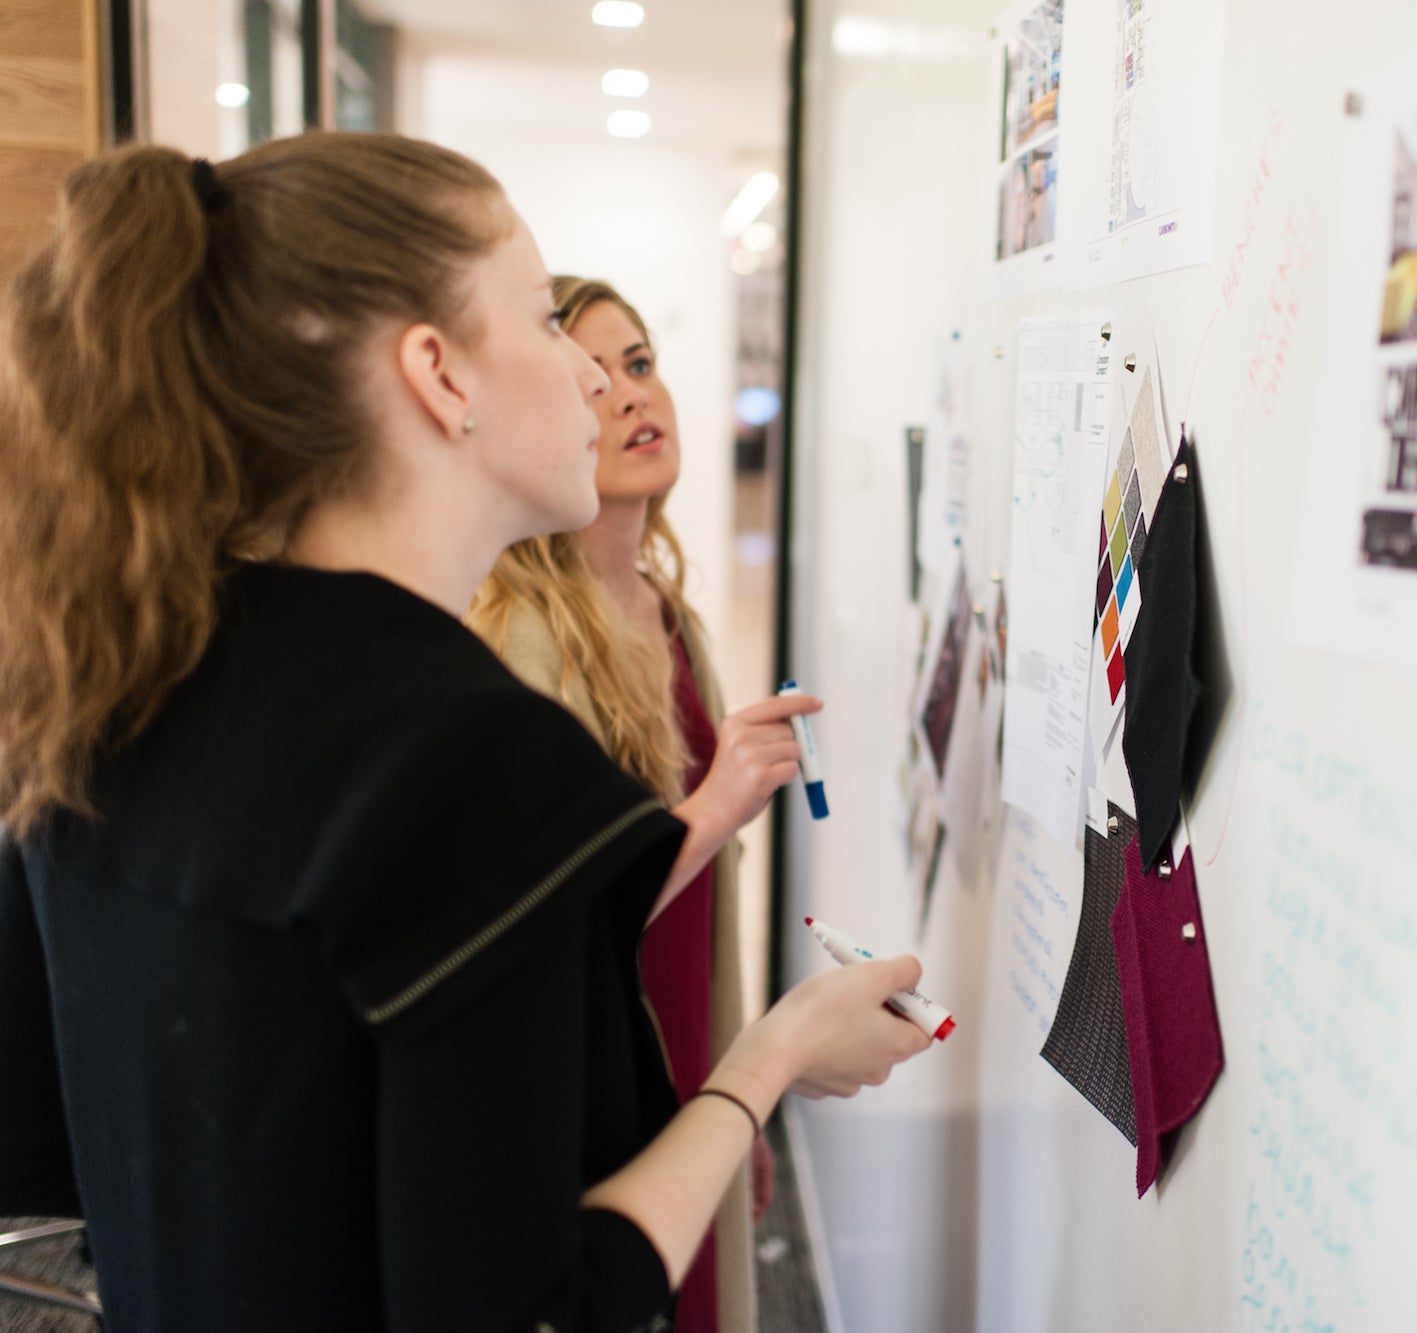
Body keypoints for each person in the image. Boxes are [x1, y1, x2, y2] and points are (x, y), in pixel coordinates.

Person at [0, 134, 932, 1332]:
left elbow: (48, 1172)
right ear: (440, 376)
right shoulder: (474, 761)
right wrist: (772, 1059)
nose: (596, 383)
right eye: (546, 323)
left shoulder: (108, 685)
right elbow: (538, 1309)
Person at [466, 276, 803, 1333]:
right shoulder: (522, 641)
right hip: (597, 1084)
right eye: (594, 375)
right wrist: (716, 804)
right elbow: (546, 923)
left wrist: (734, 1099)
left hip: (681, 1054)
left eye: (642, 364)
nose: (627, 396)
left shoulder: (671, 613)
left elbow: (707, 926)